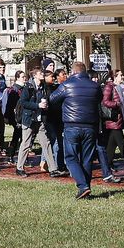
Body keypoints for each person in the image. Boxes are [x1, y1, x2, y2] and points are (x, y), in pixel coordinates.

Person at [48, 61, 101, 199]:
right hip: (90, 125)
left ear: (73, 72)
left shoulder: (66, 85)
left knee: (71, 157)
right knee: (87, 158)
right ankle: (86, 187)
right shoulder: (95, 86)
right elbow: (98, 99)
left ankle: (83, 186)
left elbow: (52, 99)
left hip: (72, 125)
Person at [99, 70, 124, 181]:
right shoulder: (110, 87)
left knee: (111, 146)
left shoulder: (118, 87)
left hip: (117, 120)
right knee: (122, 145)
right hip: (112, 121)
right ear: (114, 77)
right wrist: (117, 104)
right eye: (120, 75)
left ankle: (107, 166)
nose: (122, 77)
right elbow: (105, 102)